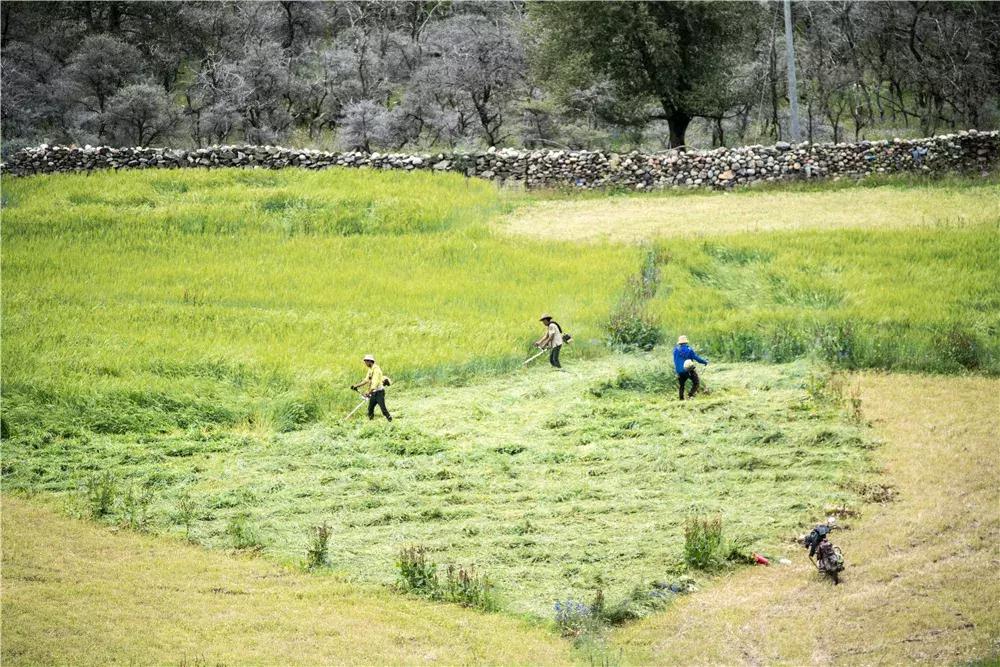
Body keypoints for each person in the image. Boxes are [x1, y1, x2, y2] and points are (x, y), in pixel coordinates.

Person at [351, 354, 392, 421]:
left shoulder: (376, 370)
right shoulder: (370, 369)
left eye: (366, 362)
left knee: (383, 409)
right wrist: (356, 386)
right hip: (373, 393)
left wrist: (368, 392)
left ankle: (390, 420)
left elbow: (374, 384)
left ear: (370, 361)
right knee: (370, 409)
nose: (365, 363)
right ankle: (371, 423)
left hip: (379, 393)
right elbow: (366, 380)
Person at [673, 335, 708, 400]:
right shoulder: (689, 349)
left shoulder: (675, 350)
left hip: (679, 371)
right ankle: (690, 395)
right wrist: (705, 362)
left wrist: (677, 370)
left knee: (681, 385)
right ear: (686, 342)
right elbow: (696, 358)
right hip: (687, 369)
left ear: (679, 342)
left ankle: (681, 399)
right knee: (696, 382)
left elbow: (675, 360)